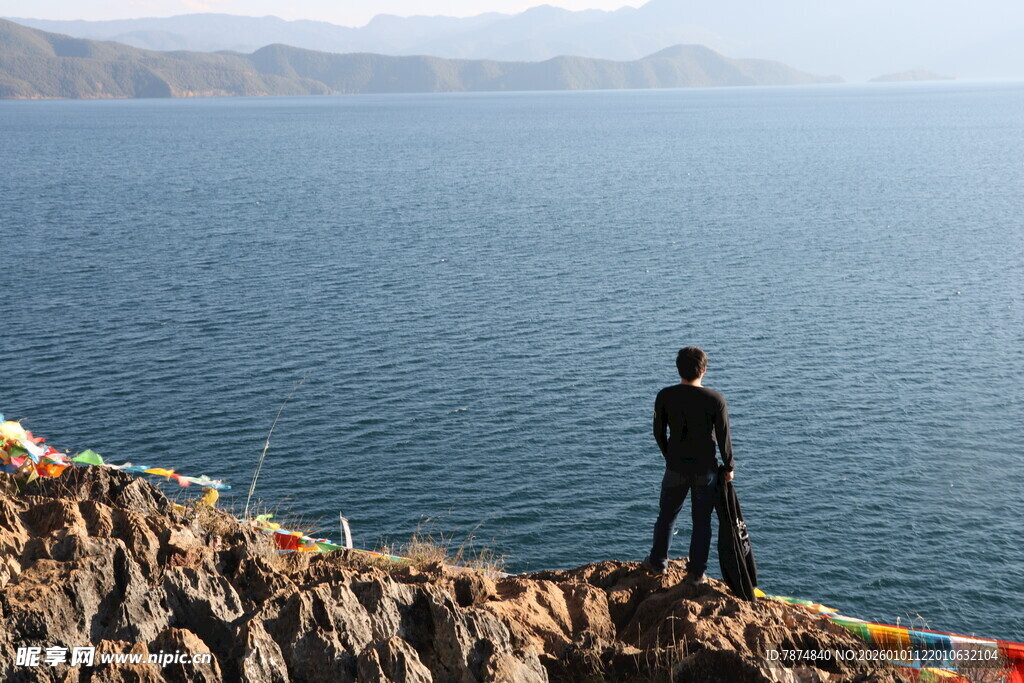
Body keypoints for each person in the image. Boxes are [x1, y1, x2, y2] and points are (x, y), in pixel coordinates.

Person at [643, 346, 734, 585]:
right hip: (706, 470)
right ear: (704, 370)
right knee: (702, 522)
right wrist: (729, 466)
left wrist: (669, 455)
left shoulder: (665, 396)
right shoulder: (715, 399)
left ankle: (658, 563)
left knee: (666, 517)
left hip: (676, 467)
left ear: (678, 369)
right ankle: (696, 573)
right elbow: (724, 437)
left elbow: (658, 432)